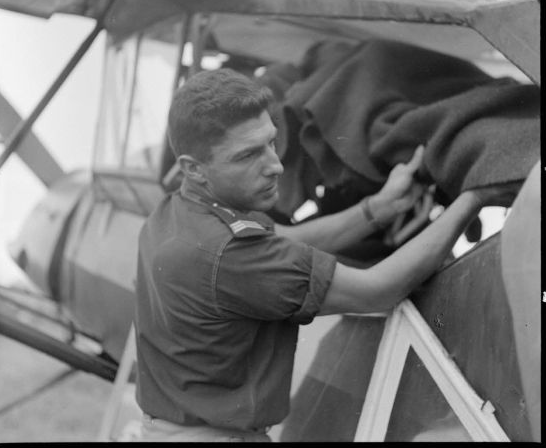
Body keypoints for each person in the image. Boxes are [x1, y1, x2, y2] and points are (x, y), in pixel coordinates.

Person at [133, 68, 490, 442]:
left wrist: (377, 207)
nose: (275, 165)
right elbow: (378, 290)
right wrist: (474, 196)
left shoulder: (180, 212)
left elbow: (285, 238)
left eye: (271, 143)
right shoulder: (232, 254)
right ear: (194, 168)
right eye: (248, 155)